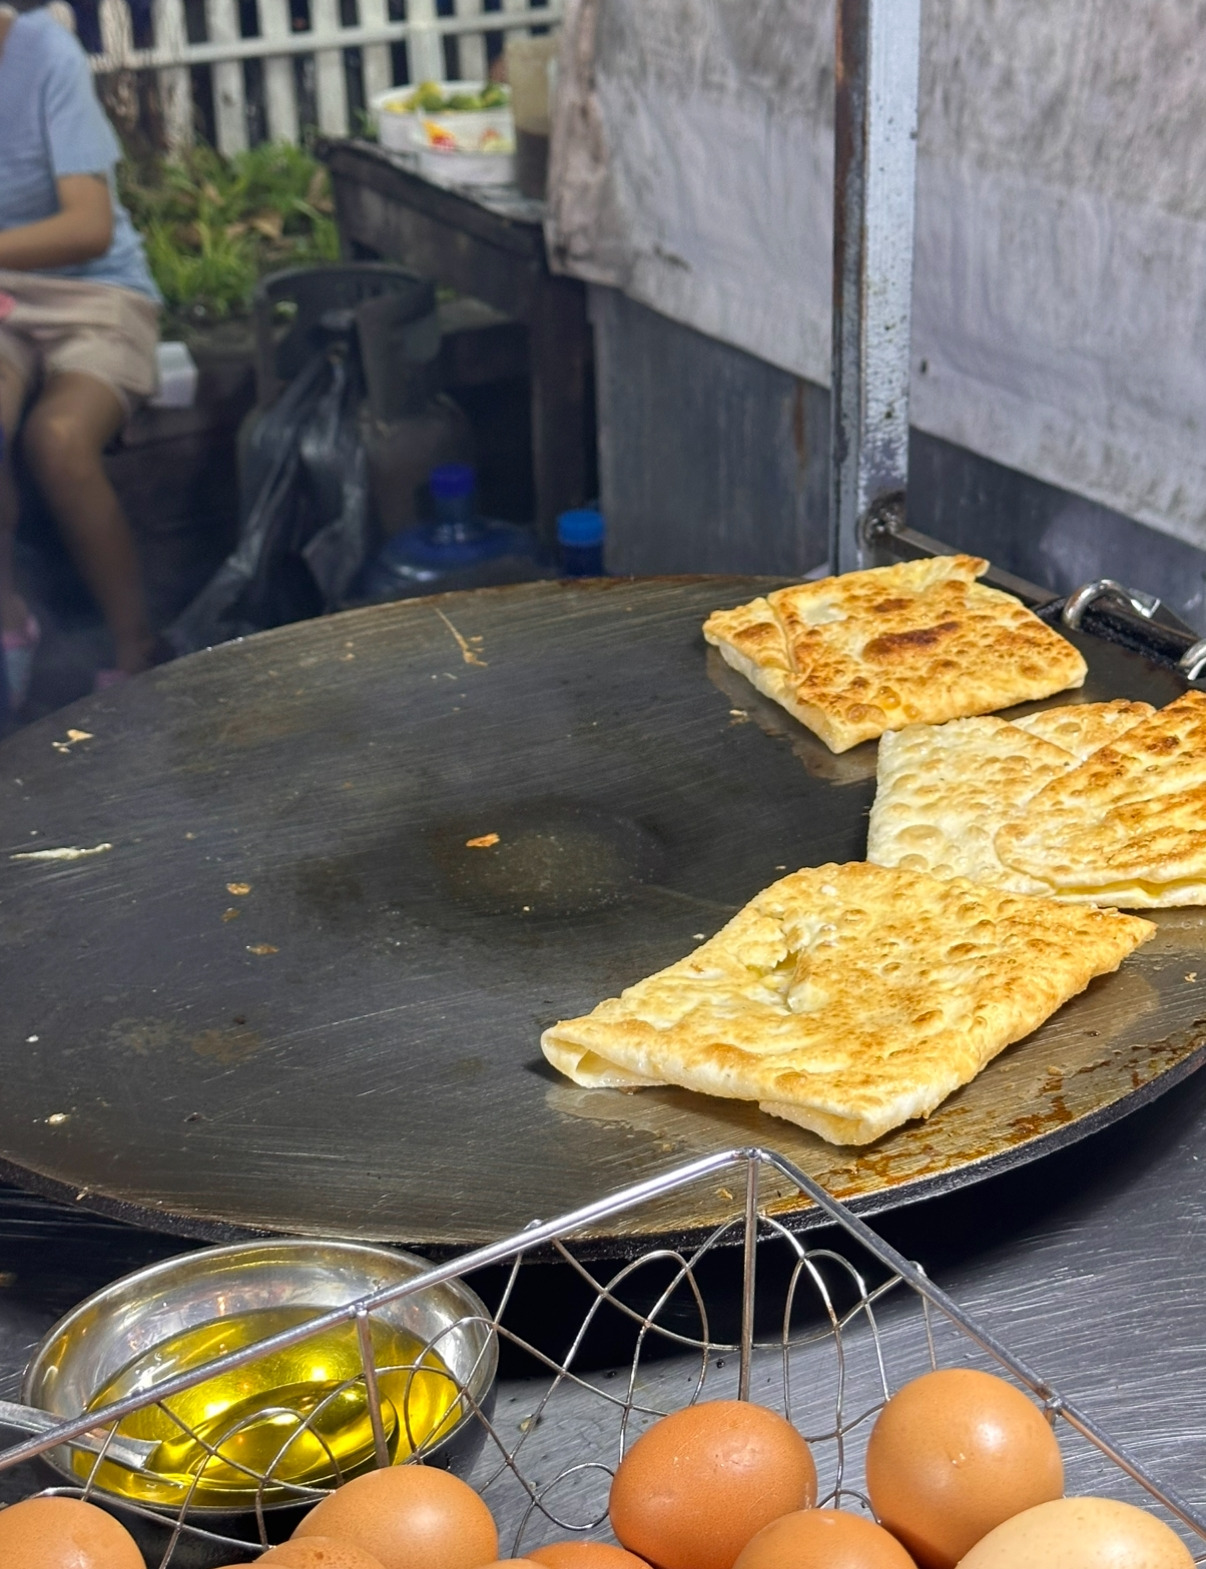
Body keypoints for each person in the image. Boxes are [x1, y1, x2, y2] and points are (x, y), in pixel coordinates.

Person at [0, 0, 164, 705]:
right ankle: (11, 619)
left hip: (94, 293)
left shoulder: (45, 53)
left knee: (59, 439)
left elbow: (89, 225)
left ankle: (136, 649)